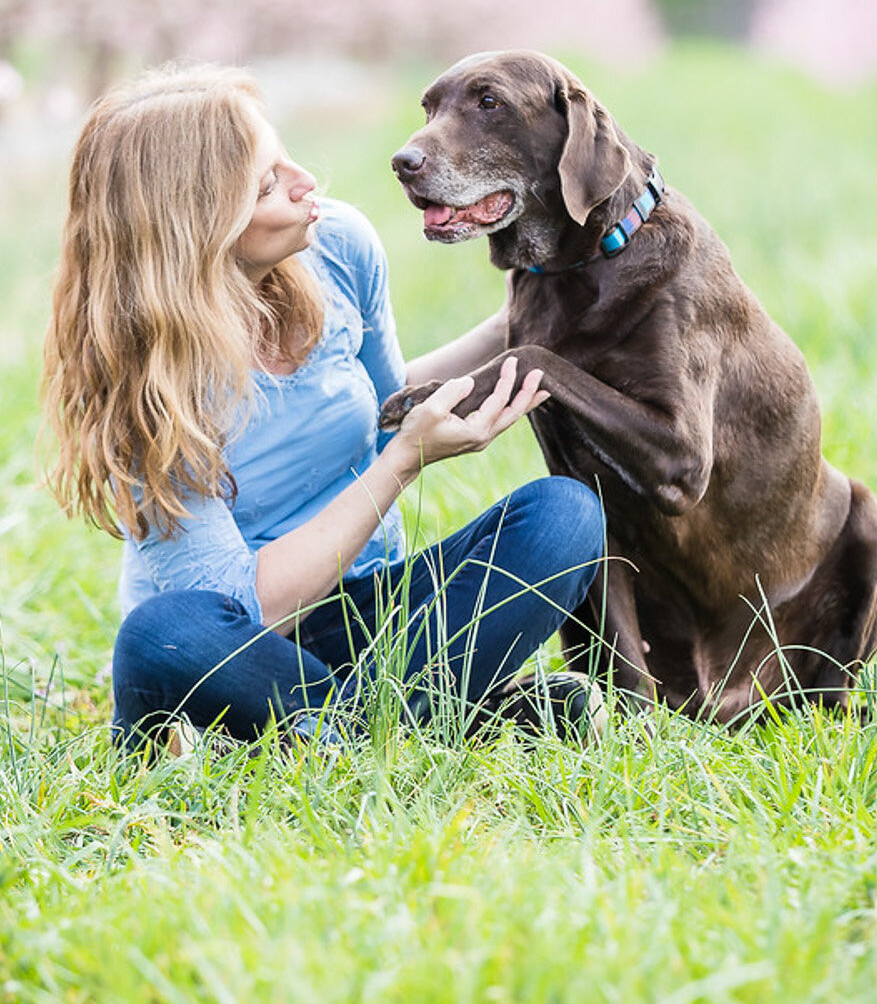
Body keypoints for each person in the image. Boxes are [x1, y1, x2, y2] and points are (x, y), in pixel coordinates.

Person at [41, 63, 606, 753]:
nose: (306, 183)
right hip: (242, 645)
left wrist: (526, 310)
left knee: (564, 516)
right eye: (268, 186)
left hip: (368, 601)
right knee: (163, 636)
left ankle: (331, 734)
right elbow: (249, 607)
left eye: (284, 158)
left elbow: (385, 402)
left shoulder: (337, 246)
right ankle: (432, 717)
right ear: (198, 226)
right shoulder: (137, 373)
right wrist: (402, 464)